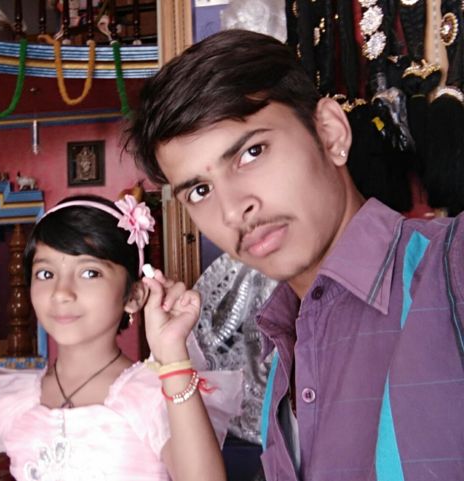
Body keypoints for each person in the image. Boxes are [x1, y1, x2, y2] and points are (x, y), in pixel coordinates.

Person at [127, 29, 464, 481]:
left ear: (330, 133)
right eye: (200, 191)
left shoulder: (449, 271)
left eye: (252, 152)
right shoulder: (284, 342)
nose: (232, 210)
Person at [0, 194, 242, 481]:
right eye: (45, 273)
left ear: (134, 296)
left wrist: (172, 351)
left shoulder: (153, 394)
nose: (61, 292)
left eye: (90, 273)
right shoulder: (13, 401)